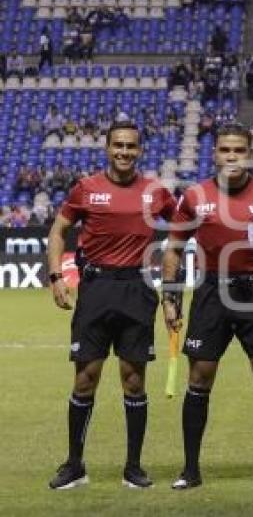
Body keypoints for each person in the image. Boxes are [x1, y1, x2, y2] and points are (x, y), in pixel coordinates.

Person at [162, 123, 253, 490]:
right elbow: (174, 249)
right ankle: (190, 470)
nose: (232, 157)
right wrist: (171, 298)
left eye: (238, 150)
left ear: (249, 152)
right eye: (225, 150)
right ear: (215, 153)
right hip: (210, 293)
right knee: (199, 377)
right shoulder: (195, 196)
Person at [46, 122, 177, 489]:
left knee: (134, 382)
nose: (124, 152)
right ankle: (74, 465)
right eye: (118, 145)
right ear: (107, 148)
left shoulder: (155, 192)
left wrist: (171, 289)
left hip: (137, 288)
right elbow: (57, 231)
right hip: (96, 288)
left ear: (140, 151)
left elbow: (183, 230)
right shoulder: (86, 189)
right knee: (85, 378)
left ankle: (133, 468)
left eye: (130, 146)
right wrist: (56, 276)